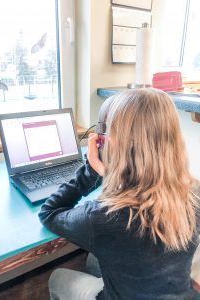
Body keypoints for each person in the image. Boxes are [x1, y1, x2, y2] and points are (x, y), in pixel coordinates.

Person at [39, 88, 200, 300]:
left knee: (58, 277)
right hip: (179, 294)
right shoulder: (194, 195)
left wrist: (90, 170)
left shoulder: (102, 217)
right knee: (94, 261)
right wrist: (111, 173)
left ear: (115, 146)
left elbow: (50, 212)